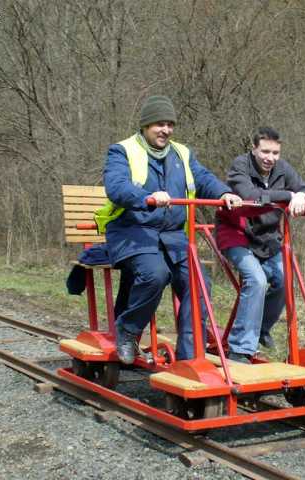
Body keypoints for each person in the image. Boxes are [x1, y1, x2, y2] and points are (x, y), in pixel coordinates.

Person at [102, 95, 242, 363]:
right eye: (159, 124)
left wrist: (224, 193)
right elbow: (116, 186)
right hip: (133, 232)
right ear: (145, 125)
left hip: (174, 236)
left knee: (199, 282)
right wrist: (146, 197)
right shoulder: (122, 151)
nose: (165, 130)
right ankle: (128, 330)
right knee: (155, 274)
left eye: (170, 124)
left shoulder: (182, 153)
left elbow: (203, 178)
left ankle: (190, 357)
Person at [215, 127, 305, 363]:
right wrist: (288, 195)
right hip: (236, 232)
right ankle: (241, 348)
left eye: (275, 153)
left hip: (266, 237)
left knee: (284, 278)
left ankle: (260, 327)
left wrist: (302, 196)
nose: (269, 158)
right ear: (254, 149)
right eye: (265, 151)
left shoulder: (282, 169)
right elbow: (250, 195)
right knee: (257, 280)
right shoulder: (240, 166)